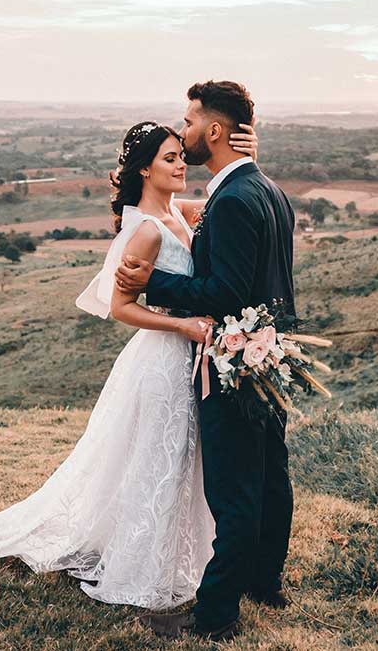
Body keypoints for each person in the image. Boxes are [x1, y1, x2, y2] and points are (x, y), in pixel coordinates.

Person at [0, 119, 258, 611]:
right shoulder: (146, 231)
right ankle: (139, 564)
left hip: (187, 359)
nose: (180, 165)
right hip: (162, 359)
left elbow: (232, 198)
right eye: (169, 159)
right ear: (145, 169)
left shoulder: (179, 212)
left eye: (179, 156)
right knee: (157, 462)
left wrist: (252, 152)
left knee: (178, 460)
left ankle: (177, 558)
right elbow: (121, 308)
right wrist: (185, 326)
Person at [117, 80, 296, 641]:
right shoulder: (265, 188)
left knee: (235, 491)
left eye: (190, 120)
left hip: (235, 361)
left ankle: (215, 612)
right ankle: (264, 582)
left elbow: (225, 291)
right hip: (267, 355)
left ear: (214, 131)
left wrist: (156, 280)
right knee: (270, 477)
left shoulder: (236, 198)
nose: (185, 130)